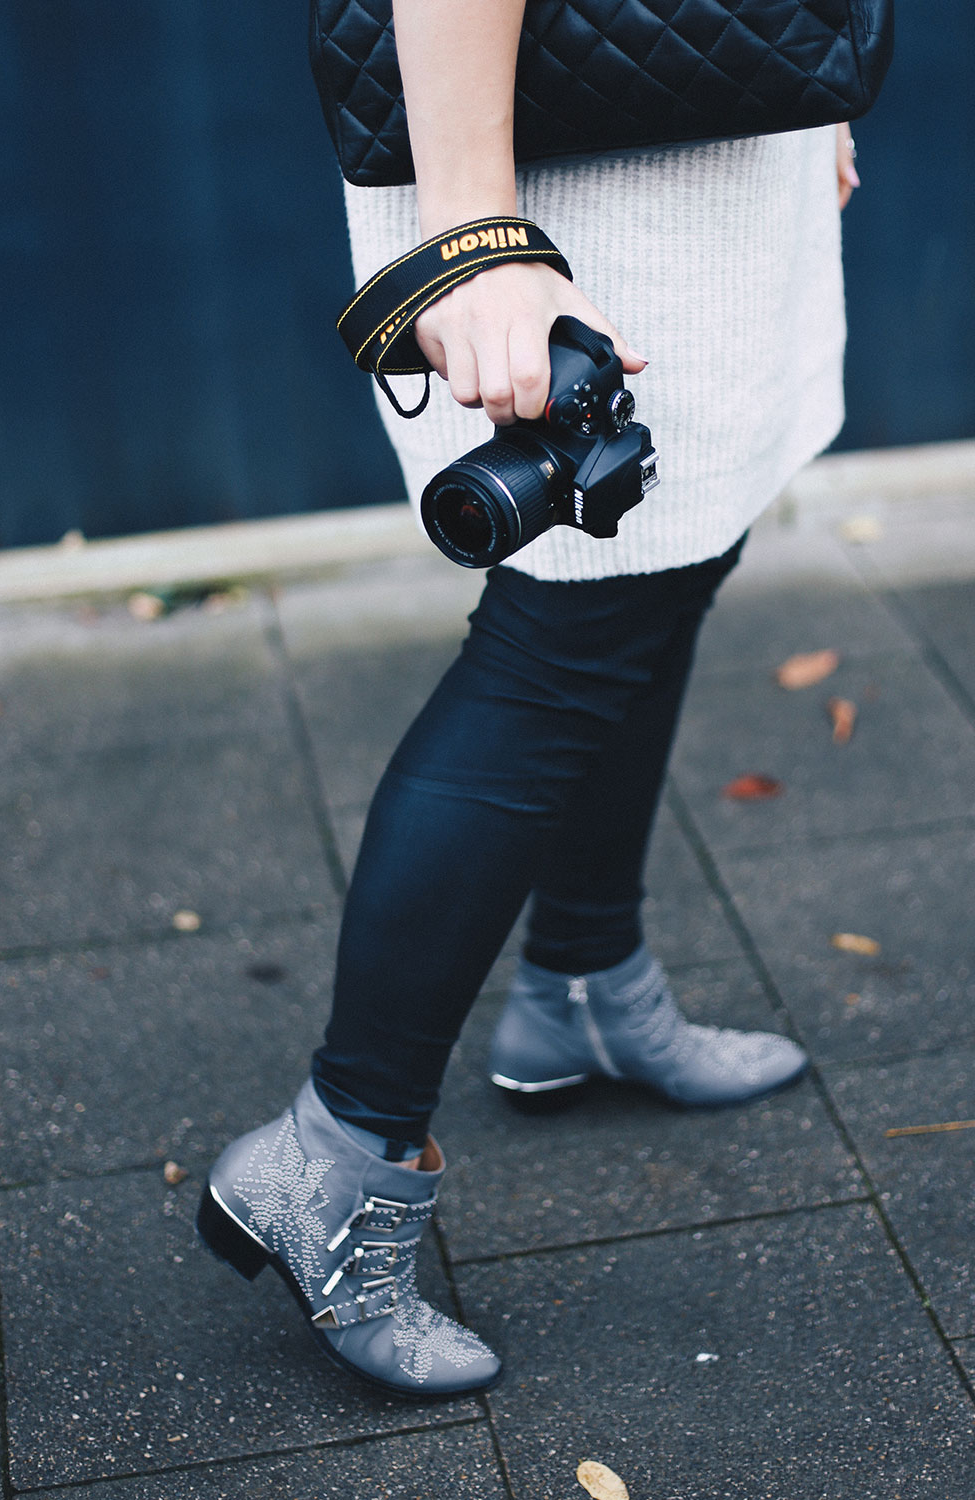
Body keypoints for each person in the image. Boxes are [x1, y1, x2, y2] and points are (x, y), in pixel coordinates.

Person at [197, 0, 860, 1398]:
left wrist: (812, 88)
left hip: (709, 111)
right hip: (562, 166)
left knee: (664, 563)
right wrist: (473, 236)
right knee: (566, 637)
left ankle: (585, 985)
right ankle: (337, 1157)